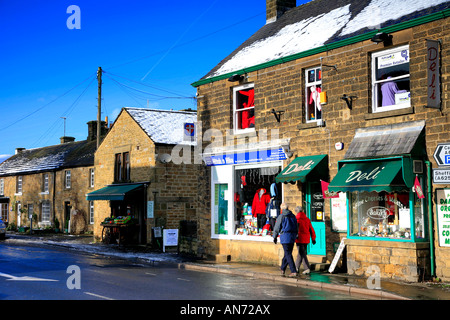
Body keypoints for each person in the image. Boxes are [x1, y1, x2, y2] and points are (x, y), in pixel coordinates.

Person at [273, 203, 298, 277]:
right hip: (292, 237)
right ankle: (282, 268)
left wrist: (274, 236)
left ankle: (293, 271)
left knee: (288, 254)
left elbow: (277, 227)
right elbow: (296, 227)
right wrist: (296, 235)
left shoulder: (281, 216)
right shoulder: (293, 216)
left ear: (281, 209)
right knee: (287, 253)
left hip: (285, 236)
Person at [294, 206, 316, 275]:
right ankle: (296, 267)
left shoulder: (296, 219)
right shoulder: (307, 219)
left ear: (297, 212)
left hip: (299, 239)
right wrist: (313, 238)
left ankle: (306, 268)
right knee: (301, 253)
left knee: (302, 253)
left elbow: (295, 230)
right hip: (306, 239)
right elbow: (311, 230)